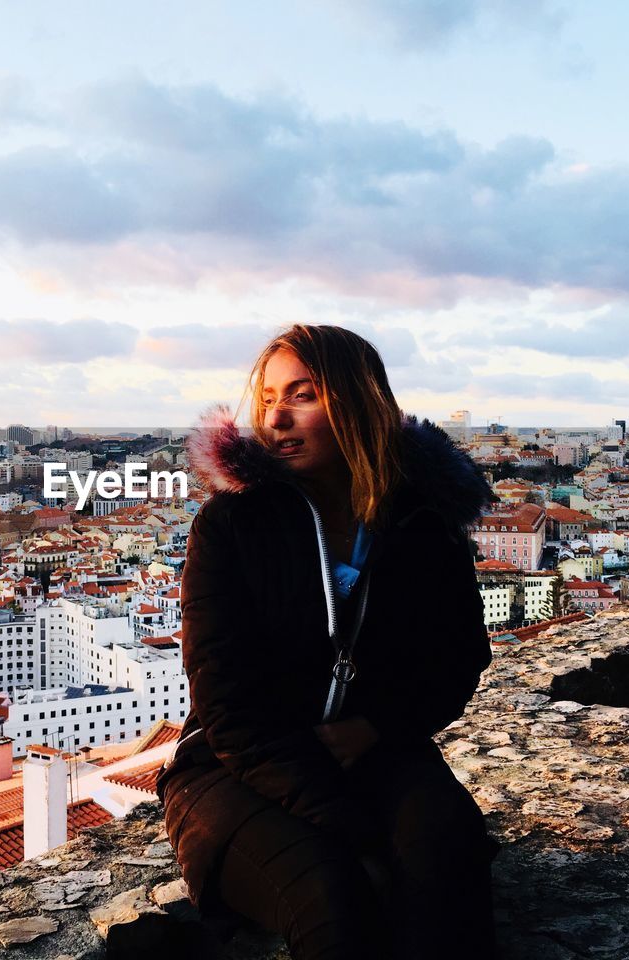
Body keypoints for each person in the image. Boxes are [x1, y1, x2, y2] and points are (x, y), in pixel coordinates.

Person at [157, 324, 499, 959]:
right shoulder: (233, 521)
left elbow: (458, 655)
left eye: (302, 394)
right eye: (266, 400)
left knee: (447, 864)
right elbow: (226, 698)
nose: (277, 418)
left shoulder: (421, 522)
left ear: (357, 401)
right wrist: (344, 818)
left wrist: (377, 727)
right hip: (235, 770)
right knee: (332, 900)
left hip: (377, 749)